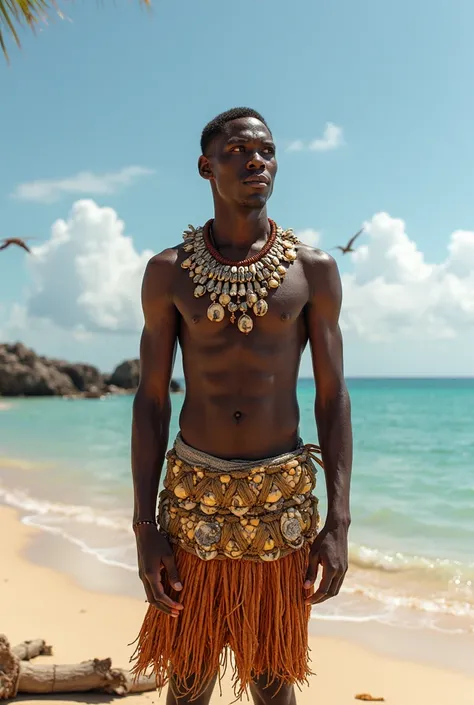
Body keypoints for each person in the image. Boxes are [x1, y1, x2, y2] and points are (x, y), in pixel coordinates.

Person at [130, 107, 353, 705]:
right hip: (192, 495)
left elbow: (332, 398)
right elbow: (151, 400)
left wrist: (339, 521)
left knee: (273, 677)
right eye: (238, 151)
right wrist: (144, 526)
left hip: (280, 498)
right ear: (206, 166)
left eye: (267, 151)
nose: (257, 160)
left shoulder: (314, 271)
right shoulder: (167, 273)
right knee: (189, 677)